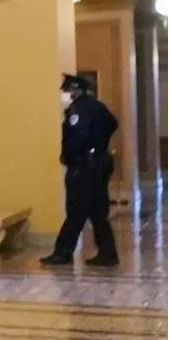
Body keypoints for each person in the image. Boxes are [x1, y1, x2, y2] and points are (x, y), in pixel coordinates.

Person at [40, 74, 120, 266]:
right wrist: (99, 142)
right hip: (99, 162)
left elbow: (78, 136)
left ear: (75, 91)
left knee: (75, 210)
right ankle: (108, 253)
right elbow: (113, 123)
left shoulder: (78, 109)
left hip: (84, 166)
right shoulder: (96, 106)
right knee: (97, 211)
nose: (65, 94)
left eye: (67, 90)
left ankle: (63, 253)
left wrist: (68, 155)